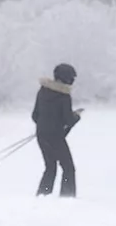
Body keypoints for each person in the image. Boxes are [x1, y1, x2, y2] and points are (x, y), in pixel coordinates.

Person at [32, 63, 80, 197]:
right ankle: (67, 196)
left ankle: (43, 195)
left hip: (41, 135)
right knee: (68, 168)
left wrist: (44, 125)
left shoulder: (43, 91)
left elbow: (35, 115)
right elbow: (68, 120)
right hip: (56, 137)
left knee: (50, 167)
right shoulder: (64, 95)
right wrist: (77, 116)